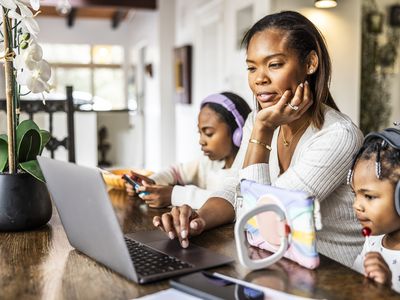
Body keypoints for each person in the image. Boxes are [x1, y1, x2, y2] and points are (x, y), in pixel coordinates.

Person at [153, 10, 364, 267]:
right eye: (252, 67)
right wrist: (198, 219)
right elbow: (234, 187)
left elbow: (260, 221)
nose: (259, 79)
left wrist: (263, 131)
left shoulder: (338, 136)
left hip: (335, 274)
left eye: (274, 64)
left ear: (310, 63)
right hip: (276, 261)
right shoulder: (259, 118)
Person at [126, 92, 251, 209]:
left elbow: (233, 201)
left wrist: (174, 195)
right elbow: (176, 172)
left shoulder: (250, 170)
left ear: (238, 133)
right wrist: (152, 181)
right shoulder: (208, 163)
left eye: (209, 133)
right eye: (200, 132)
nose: (201, 141)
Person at [350, 127, 400, 292]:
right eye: (355, 194)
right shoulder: (373, 240)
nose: (356, 205)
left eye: (369, 196)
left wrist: (386, 289)